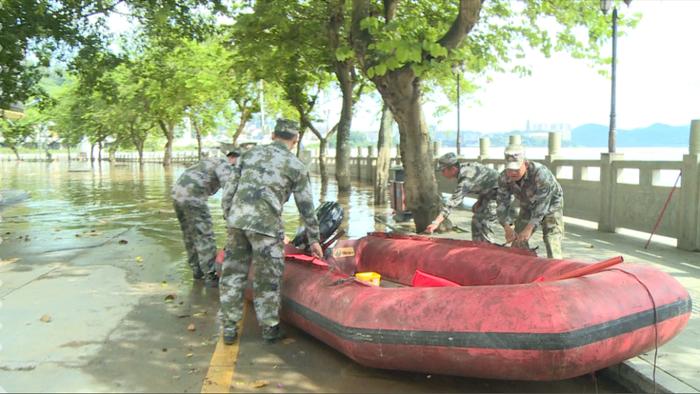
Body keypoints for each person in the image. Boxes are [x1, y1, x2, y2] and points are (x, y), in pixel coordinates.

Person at [219, 119, 322, 345]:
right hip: (266, 227)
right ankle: (269, 329)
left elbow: (229, 189)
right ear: (295, 141)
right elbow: (306, 206)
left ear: (274, 135)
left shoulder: (249, 155)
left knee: (232, 275)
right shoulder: (296, 166)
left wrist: (229, 216)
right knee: (268, 278)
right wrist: (314, 239)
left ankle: (228, 328)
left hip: (237, 222)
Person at [172, 145, 240, 287]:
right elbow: (229, 191)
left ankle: (196, 272)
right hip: (194, 197)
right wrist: (231, 219)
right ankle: (211, 276)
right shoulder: (225, 164)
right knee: (205, 235)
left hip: (177, 194)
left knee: (189, 235)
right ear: (233, 158)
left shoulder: (211, 161)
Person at [496, 145, 564, 258]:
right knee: (518, 241)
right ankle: (523, 266)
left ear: (525, 164)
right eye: (509, 169)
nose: (512, 173)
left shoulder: (541, 174)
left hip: (550, 205)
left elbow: (542, 206)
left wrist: (529, 228)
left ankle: (556, 269)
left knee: (551, 238)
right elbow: (502, 203)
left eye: (516, 169)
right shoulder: (504, 177)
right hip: (527, 205)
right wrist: (507, 227)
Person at [426, 153, 500, 243]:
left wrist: (436, 222)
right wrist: (480, 201)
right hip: (490, 193)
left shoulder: (465, 179)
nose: (442, 174)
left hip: (502, 194)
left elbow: (452, 203)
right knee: (476, 221)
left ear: (453, 169)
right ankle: (479, 247)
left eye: (443, 170)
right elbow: (483, 183)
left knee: (482, 221)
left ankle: (488, 250)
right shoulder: (463, 168)